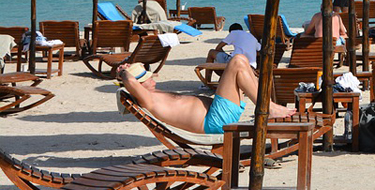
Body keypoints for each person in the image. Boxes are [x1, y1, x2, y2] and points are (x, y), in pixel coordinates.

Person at [117, 55, 294, 135]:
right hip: (215, 120)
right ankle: (268, 107)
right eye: (147, 77)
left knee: (243, 61)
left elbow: (134, 83)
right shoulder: (148, 99)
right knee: (237, 61)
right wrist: (123, 72)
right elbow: (130, 82)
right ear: (139, 84)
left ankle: (269, 105)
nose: (153, 78)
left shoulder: (154, 94)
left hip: (218, 113)